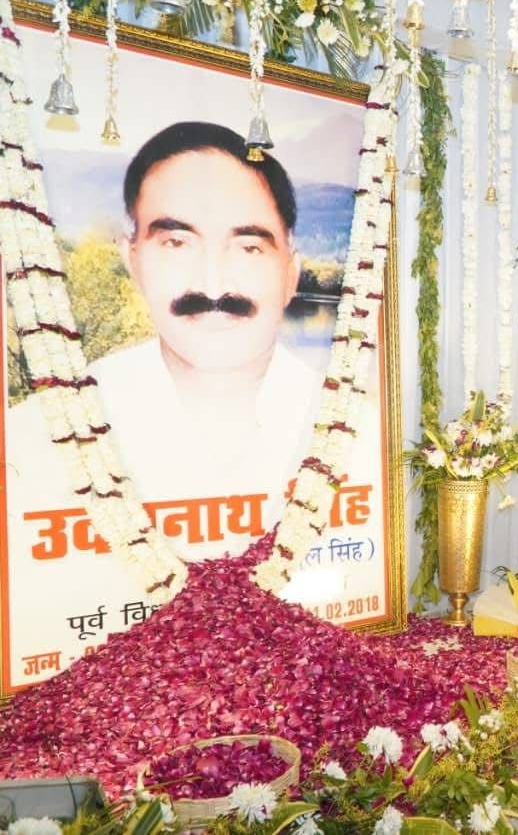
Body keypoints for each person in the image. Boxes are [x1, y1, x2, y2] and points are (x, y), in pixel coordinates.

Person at [6, 121, 370, 562]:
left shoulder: (361, 435)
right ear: (132, 260)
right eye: (177, 243)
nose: (213, 284)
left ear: (291, 274)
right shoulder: (37, 438)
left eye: (249, 247)